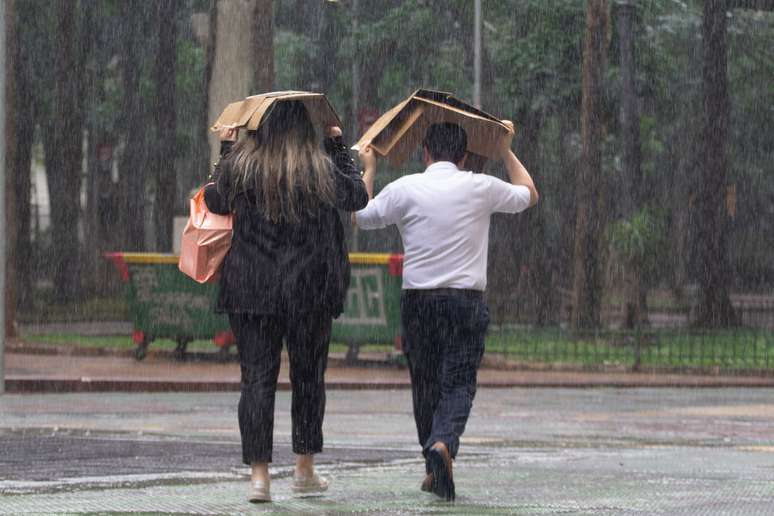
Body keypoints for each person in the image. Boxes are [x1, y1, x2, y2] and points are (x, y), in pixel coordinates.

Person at [354, 121, 538, 501]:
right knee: (458, 382)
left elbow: (360, 214)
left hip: (418, 302)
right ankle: (443, 444)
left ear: (425, 153)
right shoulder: (480, 187)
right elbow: (528, 194)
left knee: (425, 384)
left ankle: (431, 461)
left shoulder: (405, 188)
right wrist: (503, 149)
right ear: (464, 156)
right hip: (465, 302)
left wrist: (370, 169)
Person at [204, 100, 368, 503]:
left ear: (259, 130)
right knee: (308, 377)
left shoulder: (243, 169)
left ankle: (259, 477)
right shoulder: (321, 171)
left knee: (256, 379)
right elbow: (358, 197)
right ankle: (304, 468)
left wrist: (227, 148)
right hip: (308, 291)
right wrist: (337, 146)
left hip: (251, 289)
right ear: (305, 131)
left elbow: (215, 200)